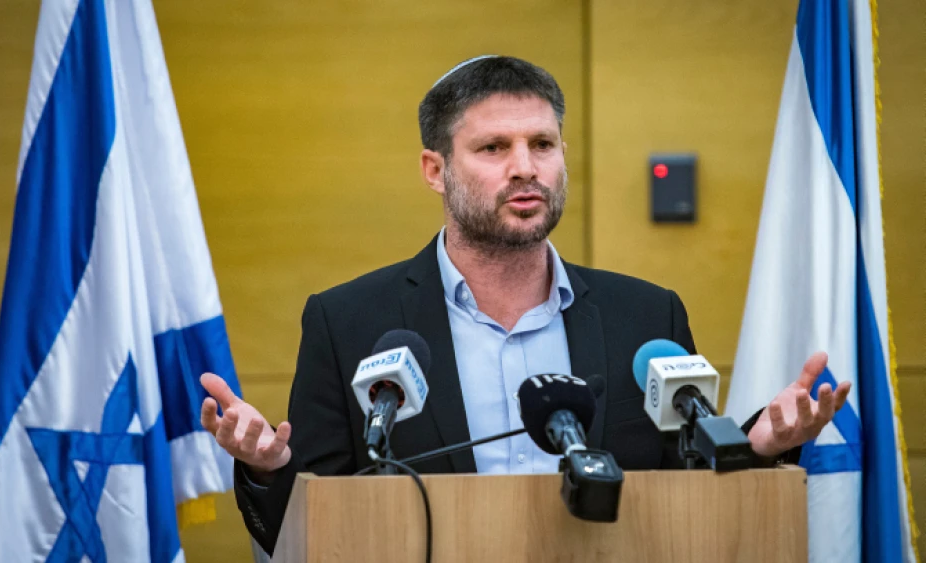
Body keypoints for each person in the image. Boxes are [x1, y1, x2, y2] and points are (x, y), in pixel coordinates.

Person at [198, 56, 851, 555]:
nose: (525, 167)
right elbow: (308, 528)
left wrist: (760, 445)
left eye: (542, 144)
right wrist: (269, 467)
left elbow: (687, 505)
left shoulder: (646, 319)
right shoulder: (350, 324)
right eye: (493, 148)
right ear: (435, 169)